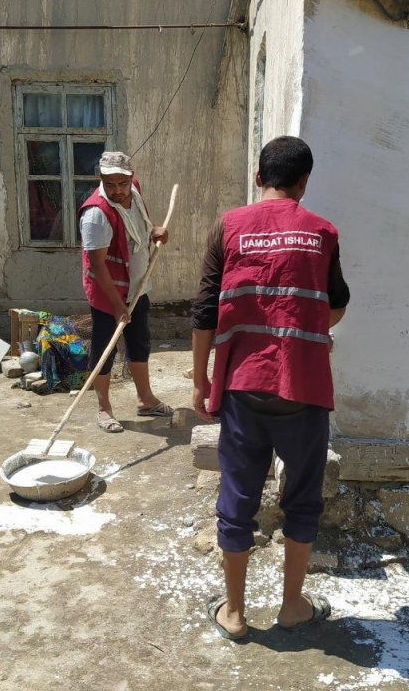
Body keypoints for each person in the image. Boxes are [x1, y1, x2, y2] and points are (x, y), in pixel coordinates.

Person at [191, 136, 350, 641]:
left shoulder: (229, 226)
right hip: (302, 386)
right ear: (303, 183)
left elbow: (205, 311)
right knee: (302, 499)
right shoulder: (322, 232)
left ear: (259, 178)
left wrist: (201, 379)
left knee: (237, 497)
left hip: (242, 385)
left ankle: (234, 614)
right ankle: (291, 607)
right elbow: (338, 303)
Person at [79, 151, 174, 432]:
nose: (117, 190)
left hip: (138, 285)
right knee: (104, 349)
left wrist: (156, 232)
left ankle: (146, 400)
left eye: (122, 183)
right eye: (110, 184)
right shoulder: (96, 215)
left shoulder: (134, 191)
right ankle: (103, 409)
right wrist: (117, 305)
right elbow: (97, 265)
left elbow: (139, 227)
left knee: (139, 342)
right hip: (110, 292)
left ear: (130, 178)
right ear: (102, 180)